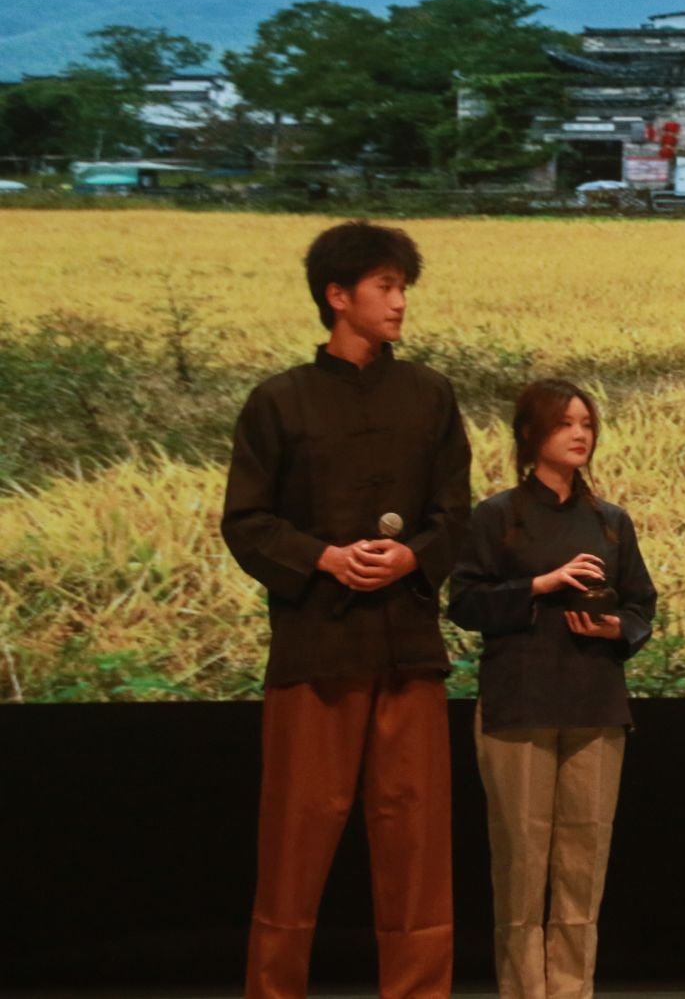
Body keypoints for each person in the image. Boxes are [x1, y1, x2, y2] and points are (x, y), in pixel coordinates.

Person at [222, 221, 472, 999]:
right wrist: (326, 558)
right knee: (295, 835)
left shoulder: (430, 394)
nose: (400, 302)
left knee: (416, 837)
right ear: (338, 295)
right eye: (385, 286)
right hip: (316, 648)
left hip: (408, 647)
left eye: (403, 287)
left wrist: (412, 556)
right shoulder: (279, 400)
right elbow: (246, 521)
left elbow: (455, 514)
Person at [449, 379, 657, 999]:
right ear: (529, 434)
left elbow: (641, 606)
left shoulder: (611, 522)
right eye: (565, 423)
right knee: (522, 857)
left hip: (595, 702)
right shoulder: (496, 516)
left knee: (582, 859)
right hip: (520, 703)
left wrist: (617, 626)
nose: (579, 434)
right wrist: (541, 584)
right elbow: (464, 602)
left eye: (587, 424)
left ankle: (571, 991)